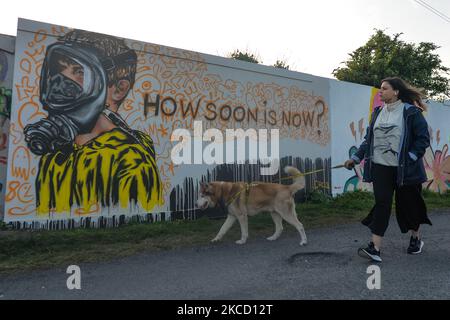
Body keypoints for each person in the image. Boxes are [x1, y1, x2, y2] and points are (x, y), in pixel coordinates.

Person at [24, 29, 163, 215]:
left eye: (79, 71)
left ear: (118, 90)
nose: (60, 82)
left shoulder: (130, 162)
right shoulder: (56, 156)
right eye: (58, 70)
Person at [344, 77, 432, 263]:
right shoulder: (377, 113)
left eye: (384, 88)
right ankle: (374, 247)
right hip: (381, 167)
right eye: (380, 89)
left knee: (409, 204)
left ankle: (416, 238)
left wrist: (410, 158)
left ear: (396, 92)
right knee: (382, 204)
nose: (380, 92)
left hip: (405, 170)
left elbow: (422, 139)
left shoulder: (411, 113)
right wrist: (355, 158)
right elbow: (369, 140)